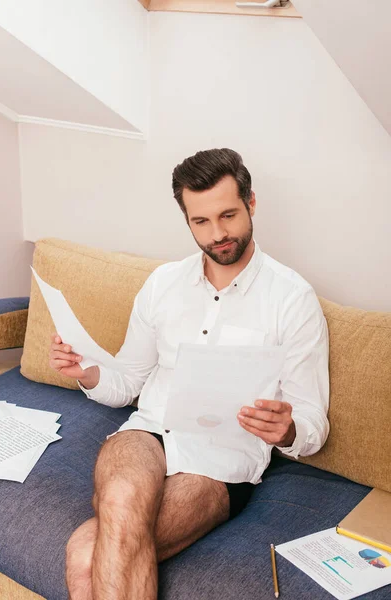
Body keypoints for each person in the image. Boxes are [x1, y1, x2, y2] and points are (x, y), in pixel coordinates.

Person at [49, 148, 329, 600]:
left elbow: (314, 421)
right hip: (145, 433)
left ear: (251, 203)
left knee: (86, 554)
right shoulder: (163, 284)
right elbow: (130, 382)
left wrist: (288, 428)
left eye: (229, 215)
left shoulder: (292, 299)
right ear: (186, 219)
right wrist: (89, 373)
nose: (218, 234)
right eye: (201, 222)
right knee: (119, 499)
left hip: (219, 465)